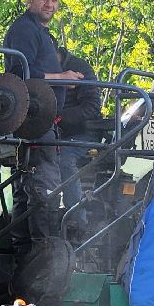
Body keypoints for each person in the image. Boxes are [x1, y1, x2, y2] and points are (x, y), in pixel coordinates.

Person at [2, 0, 82, 239]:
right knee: (44, 189)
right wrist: (60, 77)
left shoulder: (41, 32)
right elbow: (19, 71)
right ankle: (45, 253)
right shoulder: (25, 30)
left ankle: (24, 249)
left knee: (28, 190)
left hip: (42, 120)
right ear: (29, 0)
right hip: (33, 121)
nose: (49, 4)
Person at [56, 47, 102, 223]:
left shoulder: (79, 67)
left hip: (84, 133)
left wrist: (59, 119)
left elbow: (92, 109)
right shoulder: (45, 70)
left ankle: (76, 221)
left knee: (64, 158)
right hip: (57, 133)